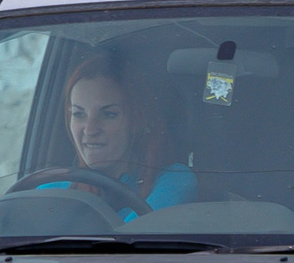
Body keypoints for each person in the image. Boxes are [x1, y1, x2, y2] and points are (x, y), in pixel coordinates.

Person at [24, 49, 196, 220]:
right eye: (79, 114)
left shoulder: (174, 180)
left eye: (108, 114)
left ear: (137, 119)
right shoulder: (52, 190)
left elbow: (131, 233)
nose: (90, 130)